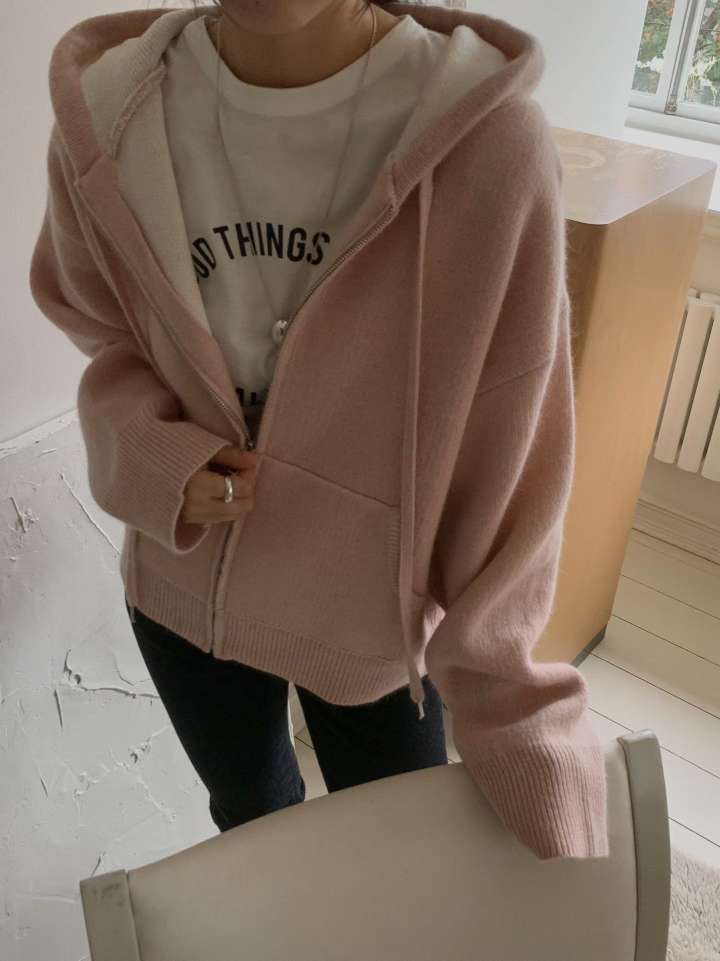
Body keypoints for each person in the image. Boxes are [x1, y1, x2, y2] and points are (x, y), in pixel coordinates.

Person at [28, 0, 609, 860]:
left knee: (397, 862)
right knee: (256, 833)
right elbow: (102, 327)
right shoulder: (111, 111)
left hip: (371, 624)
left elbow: (513, 434)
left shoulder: (486, 139)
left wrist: (515, 709)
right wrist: (153, 454)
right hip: (184, 597)